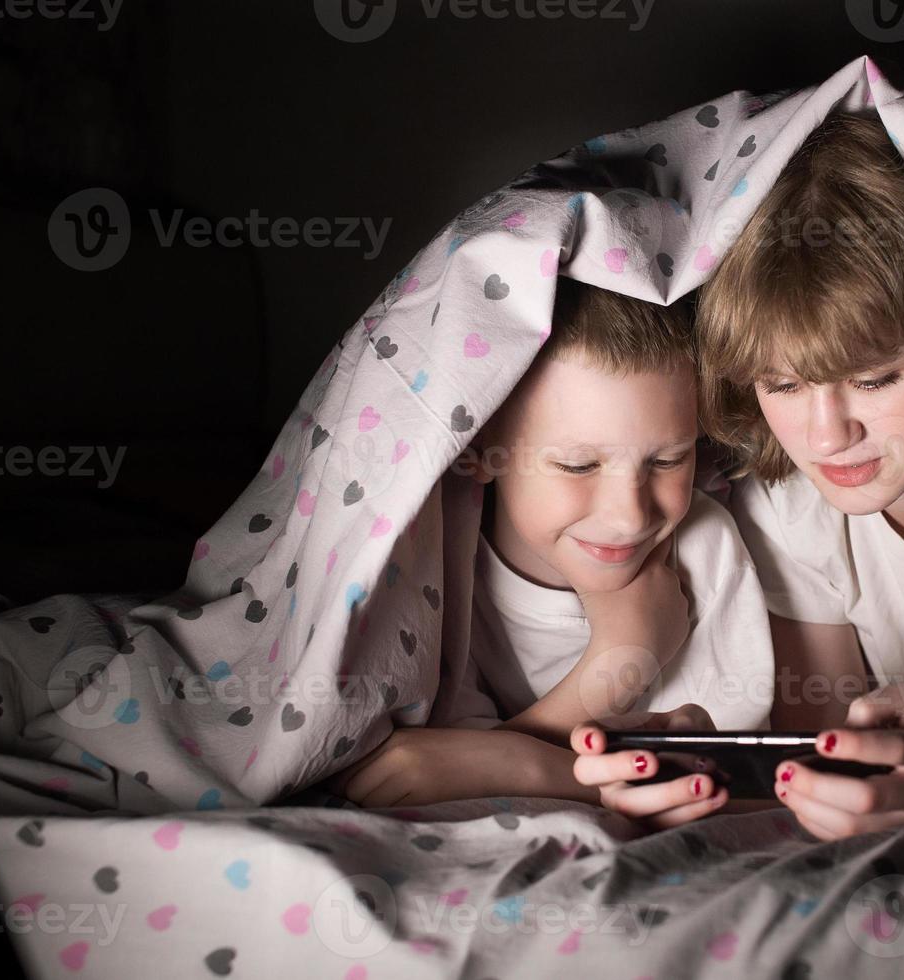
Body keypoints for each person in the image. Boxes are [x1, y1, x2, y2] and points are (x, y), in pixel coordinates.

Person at [572, 112, 904, 838]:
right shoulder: (797, 513)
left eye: (874, 378)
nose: (827, 437)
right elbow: (831, 768)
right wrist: (712, 778)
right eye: (785, 385)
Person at [331, 279, 773, 812]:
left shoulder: (706, 549)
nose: (630, 514)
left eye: (666, 460)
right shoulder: (441, 562)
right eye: (578, 465)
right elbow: (433, 767)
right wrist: (622, 656)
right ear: (480, 451)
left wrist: (516, 764)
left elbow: (729, 786)